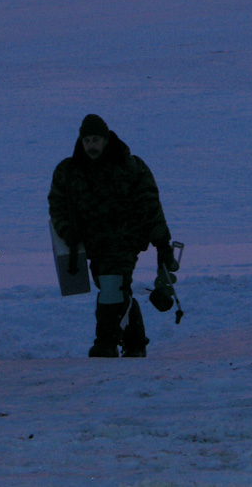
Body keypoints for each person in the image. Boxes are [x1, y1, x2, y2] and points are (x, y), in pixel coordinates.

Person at [48, 113, 178, 357]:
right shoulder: (68, 171)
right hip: (94, 244)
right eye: (87, 140)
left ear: (106, 139)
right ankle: (135, 343)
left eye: (96, 139)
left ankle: (105, 342)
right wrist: (67, 231)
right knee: (117, 289)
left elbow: (150, 205)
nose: (92, 146)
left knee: (112, 286)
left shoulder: (130, 166)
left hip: (125, 240)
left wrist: (162, 243)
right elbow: (57, 205)